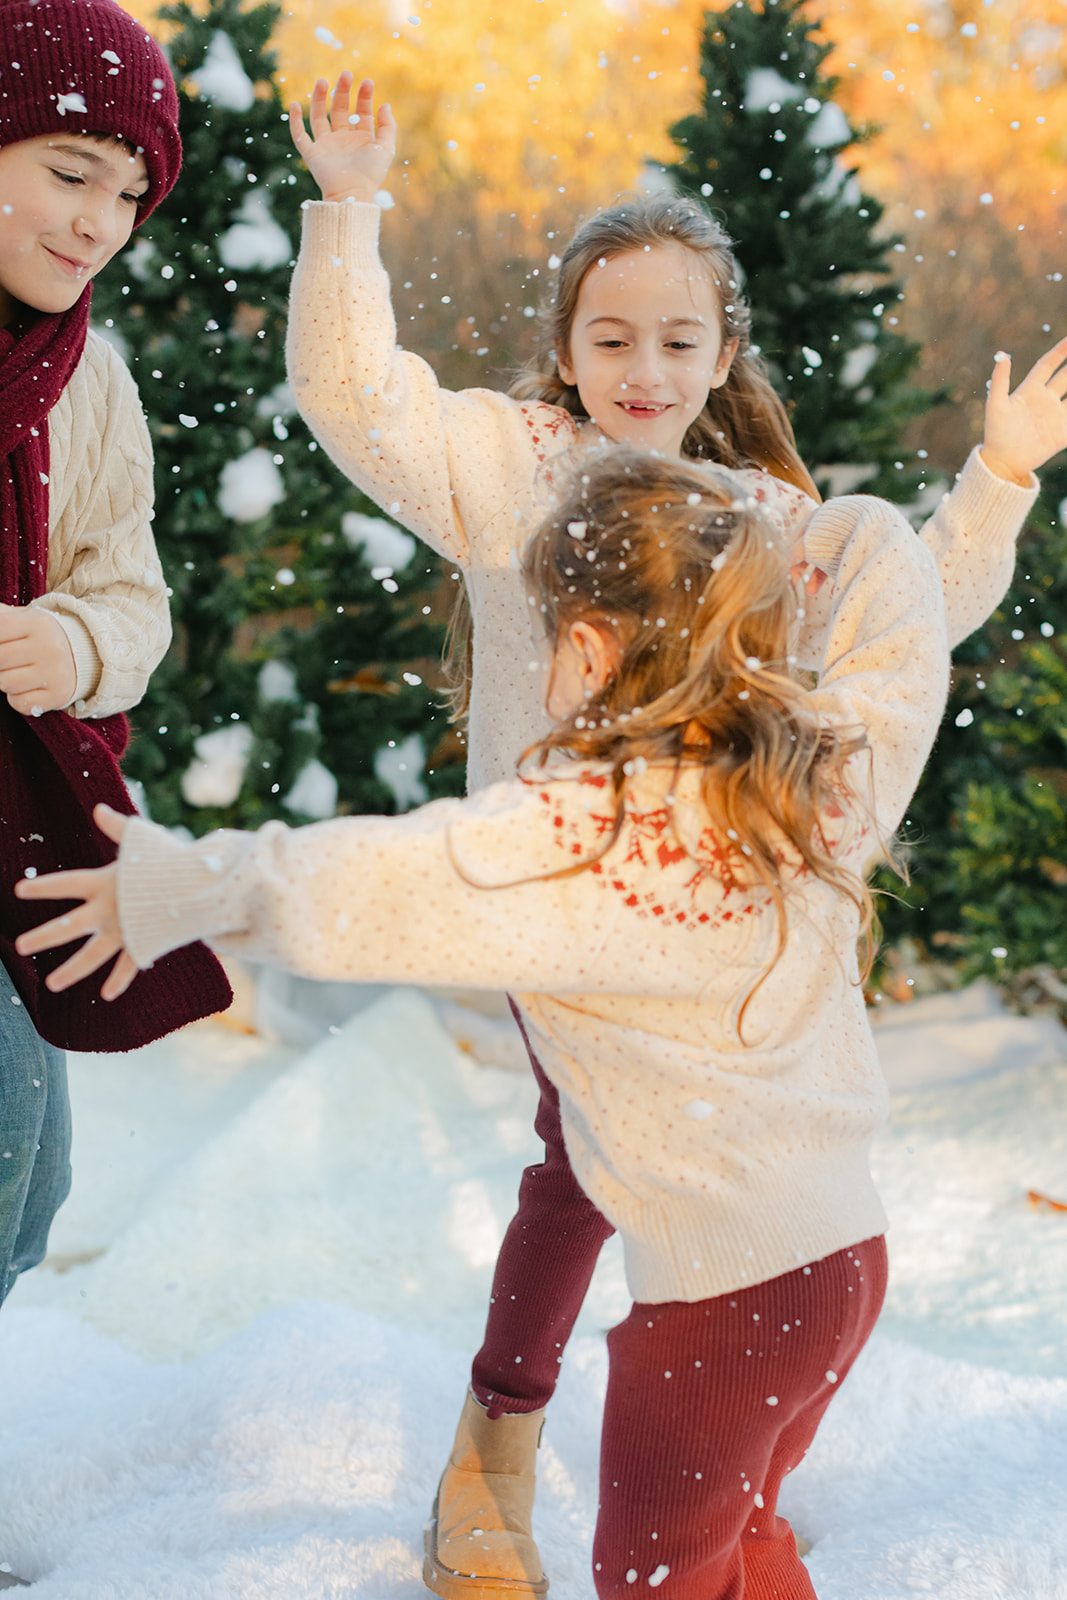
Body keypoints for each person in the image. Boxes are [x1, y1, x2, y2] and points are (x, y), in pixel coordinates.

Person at [282, 71, 1067, 1598]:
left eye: (674, 340)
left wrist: (997, 478)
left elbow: (907, 614)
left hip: (713, 909)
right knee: (586, 1161)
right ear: (566, 346)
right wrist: (350, 210)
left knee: (704, 1171)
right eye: (610, 338)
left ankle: (715, 1480)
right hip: (569, 895)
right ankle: (499, 1443)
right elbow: (354, 397)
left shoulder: (757, 512)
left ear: (721, 352)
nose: (642, 369)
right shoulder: (512, 464)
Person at [19, 445, 952, 1599]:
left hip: (719, 1309)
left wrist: (181, 884)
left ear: (588, 652)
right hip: (840, 1267)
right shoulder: (814, 770)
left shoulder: (590, 836)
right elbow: (900, 634)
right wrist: (830, 532)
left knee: (657, 1579)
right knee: (742, 1529)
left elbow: (378, 879)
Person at [0, 0, 231, 1507]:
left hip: (15, 826)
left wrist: (72, 646)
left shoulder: (88, 378)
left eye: (130, 193)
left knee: (29, 1184)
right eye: (70, 170)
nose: (100, 222)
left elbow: (133, 598)